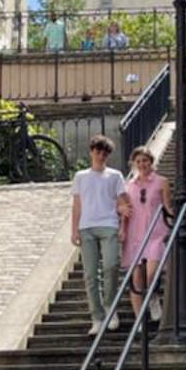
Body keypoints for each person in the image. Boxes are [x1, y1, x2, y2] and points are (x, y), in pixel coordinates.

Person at [71, 135, 130, 334]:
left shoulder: (115, 175)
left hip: (109, 224)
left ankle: (110, 309)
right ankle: (96, 317)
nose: (100, 155)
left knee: (111, 265)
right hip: (86, 226)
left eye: (104, 153)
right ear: (91, 151)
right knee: (90, 274)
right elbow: (77, 205)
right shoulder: (81, 176)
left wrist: (123, 226)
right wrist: (74, 229)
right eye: (97, 151)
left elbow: (124, 203)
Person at [121, 146, 172, 333]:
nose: (142, 164)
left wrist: (176, 223)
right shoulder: (128, 185)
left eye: (145, 161)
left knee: (151, 273)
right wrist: (121, 228)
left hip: (156, 232)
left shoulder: (161, 182)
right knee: (136, 280)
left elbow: (167, 206)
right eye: (139, 161)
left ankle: (152, 298)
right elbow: (124, 210)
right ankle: (139, 321)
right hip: (134, 234)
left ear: (151, 162)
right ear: (134, 164)